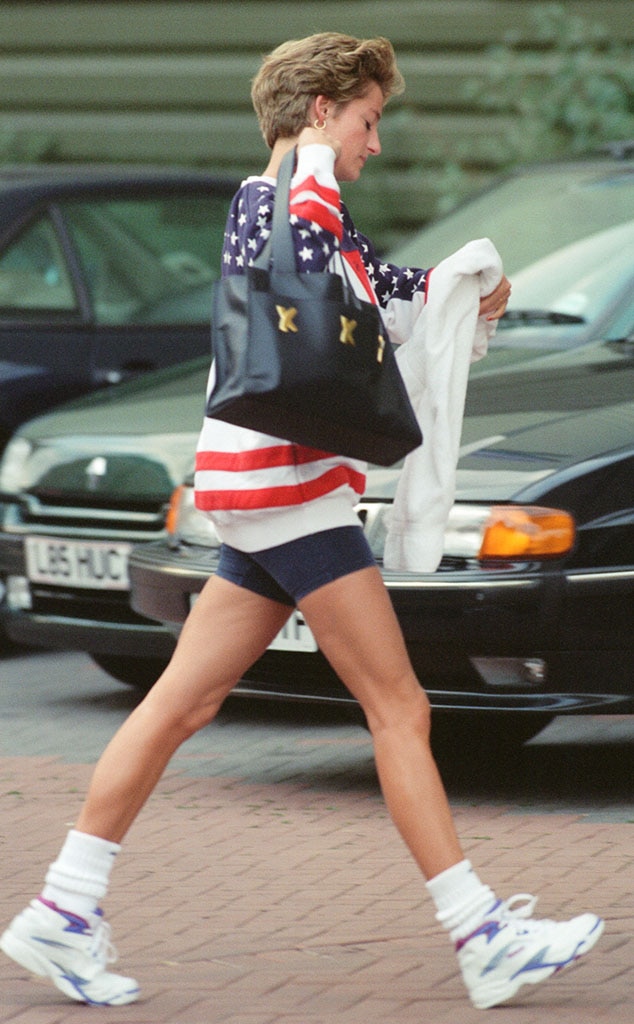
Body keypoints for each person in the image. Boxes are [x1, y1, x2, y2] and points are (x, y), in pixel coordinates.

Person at [1, 33, 603, 1011]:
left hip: (253, 497)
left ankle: (63, 909)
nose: (375, 142)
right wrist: (318, 157)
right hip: (290, 495)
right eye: (367, 120)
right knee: (400, 707)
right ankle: (481, 933)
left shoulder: (294, 213)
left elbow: (385, 296)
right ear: (321, 110)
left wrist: (469, 287)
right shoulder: (279, 198)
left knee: (181, 704)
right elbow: (330, 252)